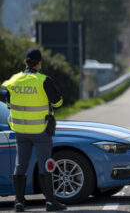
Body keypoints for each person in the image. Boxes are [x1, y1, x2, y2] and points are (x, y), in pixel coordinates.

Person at [1, 48, 67, 212]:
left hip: (20, 130)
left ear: (25, 62)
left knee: (20, 164)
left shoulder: (13, 80)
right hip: (40, 130)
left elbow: (8, 102)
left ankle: (18, 202)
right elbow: (58, 103)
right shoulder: (43, 80)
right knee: (45, 164)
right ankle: (51, 202)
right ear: (39, 63)